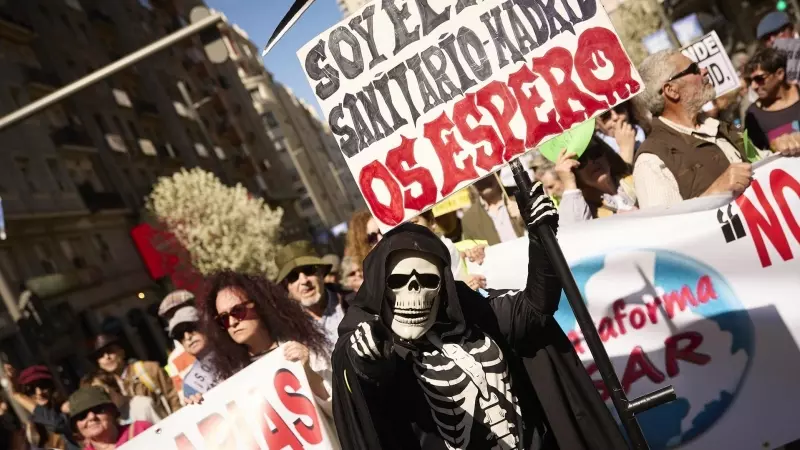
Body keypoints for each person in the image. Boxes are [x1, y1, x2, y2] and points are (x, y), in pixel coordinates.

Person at [331, 182, 626, 449]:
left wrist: (541, 238)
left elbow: (534, 312)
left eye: (428, 280)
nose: (414, 292)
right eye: (375, 237)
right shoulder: (373, 335)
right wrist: (365, 363)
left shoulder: (472, 309)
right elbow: (370, 393)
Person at [633, 50, 796, 209]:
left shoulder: (722, 127)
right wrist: (714, 193)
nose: (704, 70)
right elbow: (665, 232)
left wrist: (782, 148)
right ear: (672, 90)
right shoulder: (651, 161)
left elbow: (761, 166)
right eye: (694, 69)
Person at [195, 271, 334, 421]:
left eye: (238, 311)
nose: (232, 322)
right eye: (223, 318)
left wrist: (307, 372)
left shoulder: (304, 350)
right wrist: (201, 407)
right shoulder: (230, 378)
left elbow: (339, 410)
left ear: (259, 305)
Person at [276, 241, 347, 351]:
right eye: (293, 276)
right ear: (287, 288)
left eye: (309, 270)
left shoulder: (354, 300)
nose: (304, 280)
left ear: (321, 273)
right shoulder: (288, 331)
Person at [91, 334, 180, 419]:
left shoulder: (148, 369)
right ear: (98, 363)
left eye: (110, 351)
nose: (107, 357)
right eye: (101, 355)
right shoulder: (107, 387)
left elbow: (173, 396)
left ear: (122, 352)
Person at [555, 138, 637, 223]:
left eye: (595, 153)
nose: (591, 162)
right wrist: (569, 184)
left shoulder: (635, 179)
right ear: (574, 173)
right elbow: (574, 232)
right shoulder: (584, 207)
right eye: (581, 161)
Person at [409, 210, 487, 290]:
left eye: (413, 222)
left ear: (431, 221)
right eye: (401, 226)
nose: (407, 230)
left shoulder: (451, 248)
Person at [5, 365, 78, 450]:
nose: (39, 392)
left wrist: (17, 395)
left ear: (52, 387)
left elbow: (56, 423)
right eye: (31, 389)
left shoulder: (67, 410)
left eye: (43, 385)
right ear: (26, 395)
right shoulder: (30, 427)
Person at [744, 48, 800, 154]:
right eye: (749, 81)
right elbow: (758, 156)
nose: (753, 86)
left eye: (759, 79)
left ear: (779, 74)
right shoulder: (753, 115)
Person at [68, 386, 150, 450]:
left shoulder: (140, 429)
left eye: (98, 410)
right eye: (82, 415)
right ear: (76, 426)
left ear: (112, 411)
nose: (92, 417)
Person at [166, 306, 217, 399]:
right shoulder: (190, 385)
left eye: (190, 328)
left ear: (205, 325)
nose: (187, 337)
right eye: (180, 335)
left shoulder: (239, 350)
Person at [157, 289, 197, 403]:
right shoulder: (174, 360)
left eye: (183, 309)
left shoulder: (217, 336)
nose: (179, 317)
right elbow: (183, 398)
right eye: (172, 315)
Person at [80, 370, 161, 425]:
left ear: (112, 386)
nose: (99, 395)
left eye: (100, 389)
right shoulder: (103, 418)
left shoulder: (143, 405)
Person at [463, 175, 525, 244]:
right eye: (476, 177)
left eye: (486, 175)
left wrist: (524, 215)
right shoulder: (468, 219)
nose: (482, 181)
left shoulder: (524, 194)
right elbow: (470, 249)